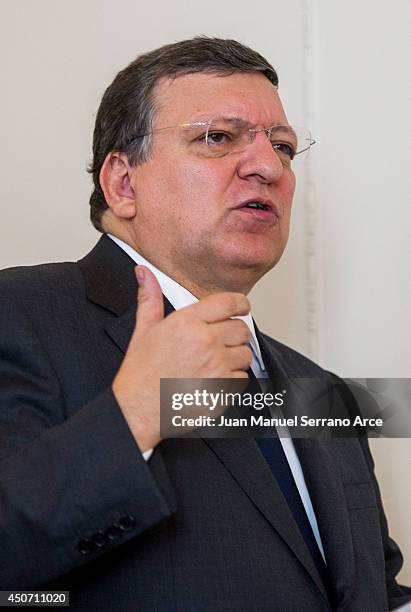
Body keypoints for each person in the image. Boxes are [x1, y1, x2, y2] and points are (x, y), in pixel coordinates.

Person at [0, 37, 409, 611]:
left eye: (284, 147)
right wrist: (136, 415)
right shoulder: (18, 313)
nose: (269, 166)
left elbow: (372, 592)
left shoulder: (326, 392)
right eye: (217, 137)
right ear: (123, 183)